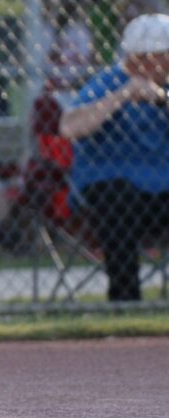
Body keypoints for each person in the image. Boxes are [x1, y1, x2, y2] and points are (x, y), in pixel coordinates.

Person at [59, 13, 169, 301]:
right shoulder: (108, 82)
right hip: (111, 185)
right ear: (144, 59)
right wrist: (124, 94)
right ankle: (125, 301)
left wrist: (161, 100)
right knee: (116, 197)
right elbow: (70, 126)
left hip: (161, 188)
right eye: (166, 56)